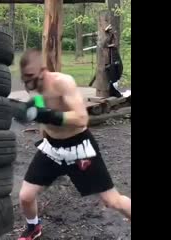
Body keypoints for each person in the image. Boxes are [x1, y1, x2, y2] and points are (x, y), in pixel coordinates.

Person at [17, 49, 131, 240]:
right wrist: (33, 110)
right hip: (52, 148)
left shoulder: (63, 82)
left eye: (30, 76)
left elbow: (81, 118)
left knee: (113, 201)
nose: (27, 81)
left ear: (43, 70)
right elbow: (40, 104)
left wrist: (47, 115)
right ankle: (33, 226)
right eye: (24, 76)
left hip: (79, 148)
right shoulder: (34, 85)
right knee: (25, 196)